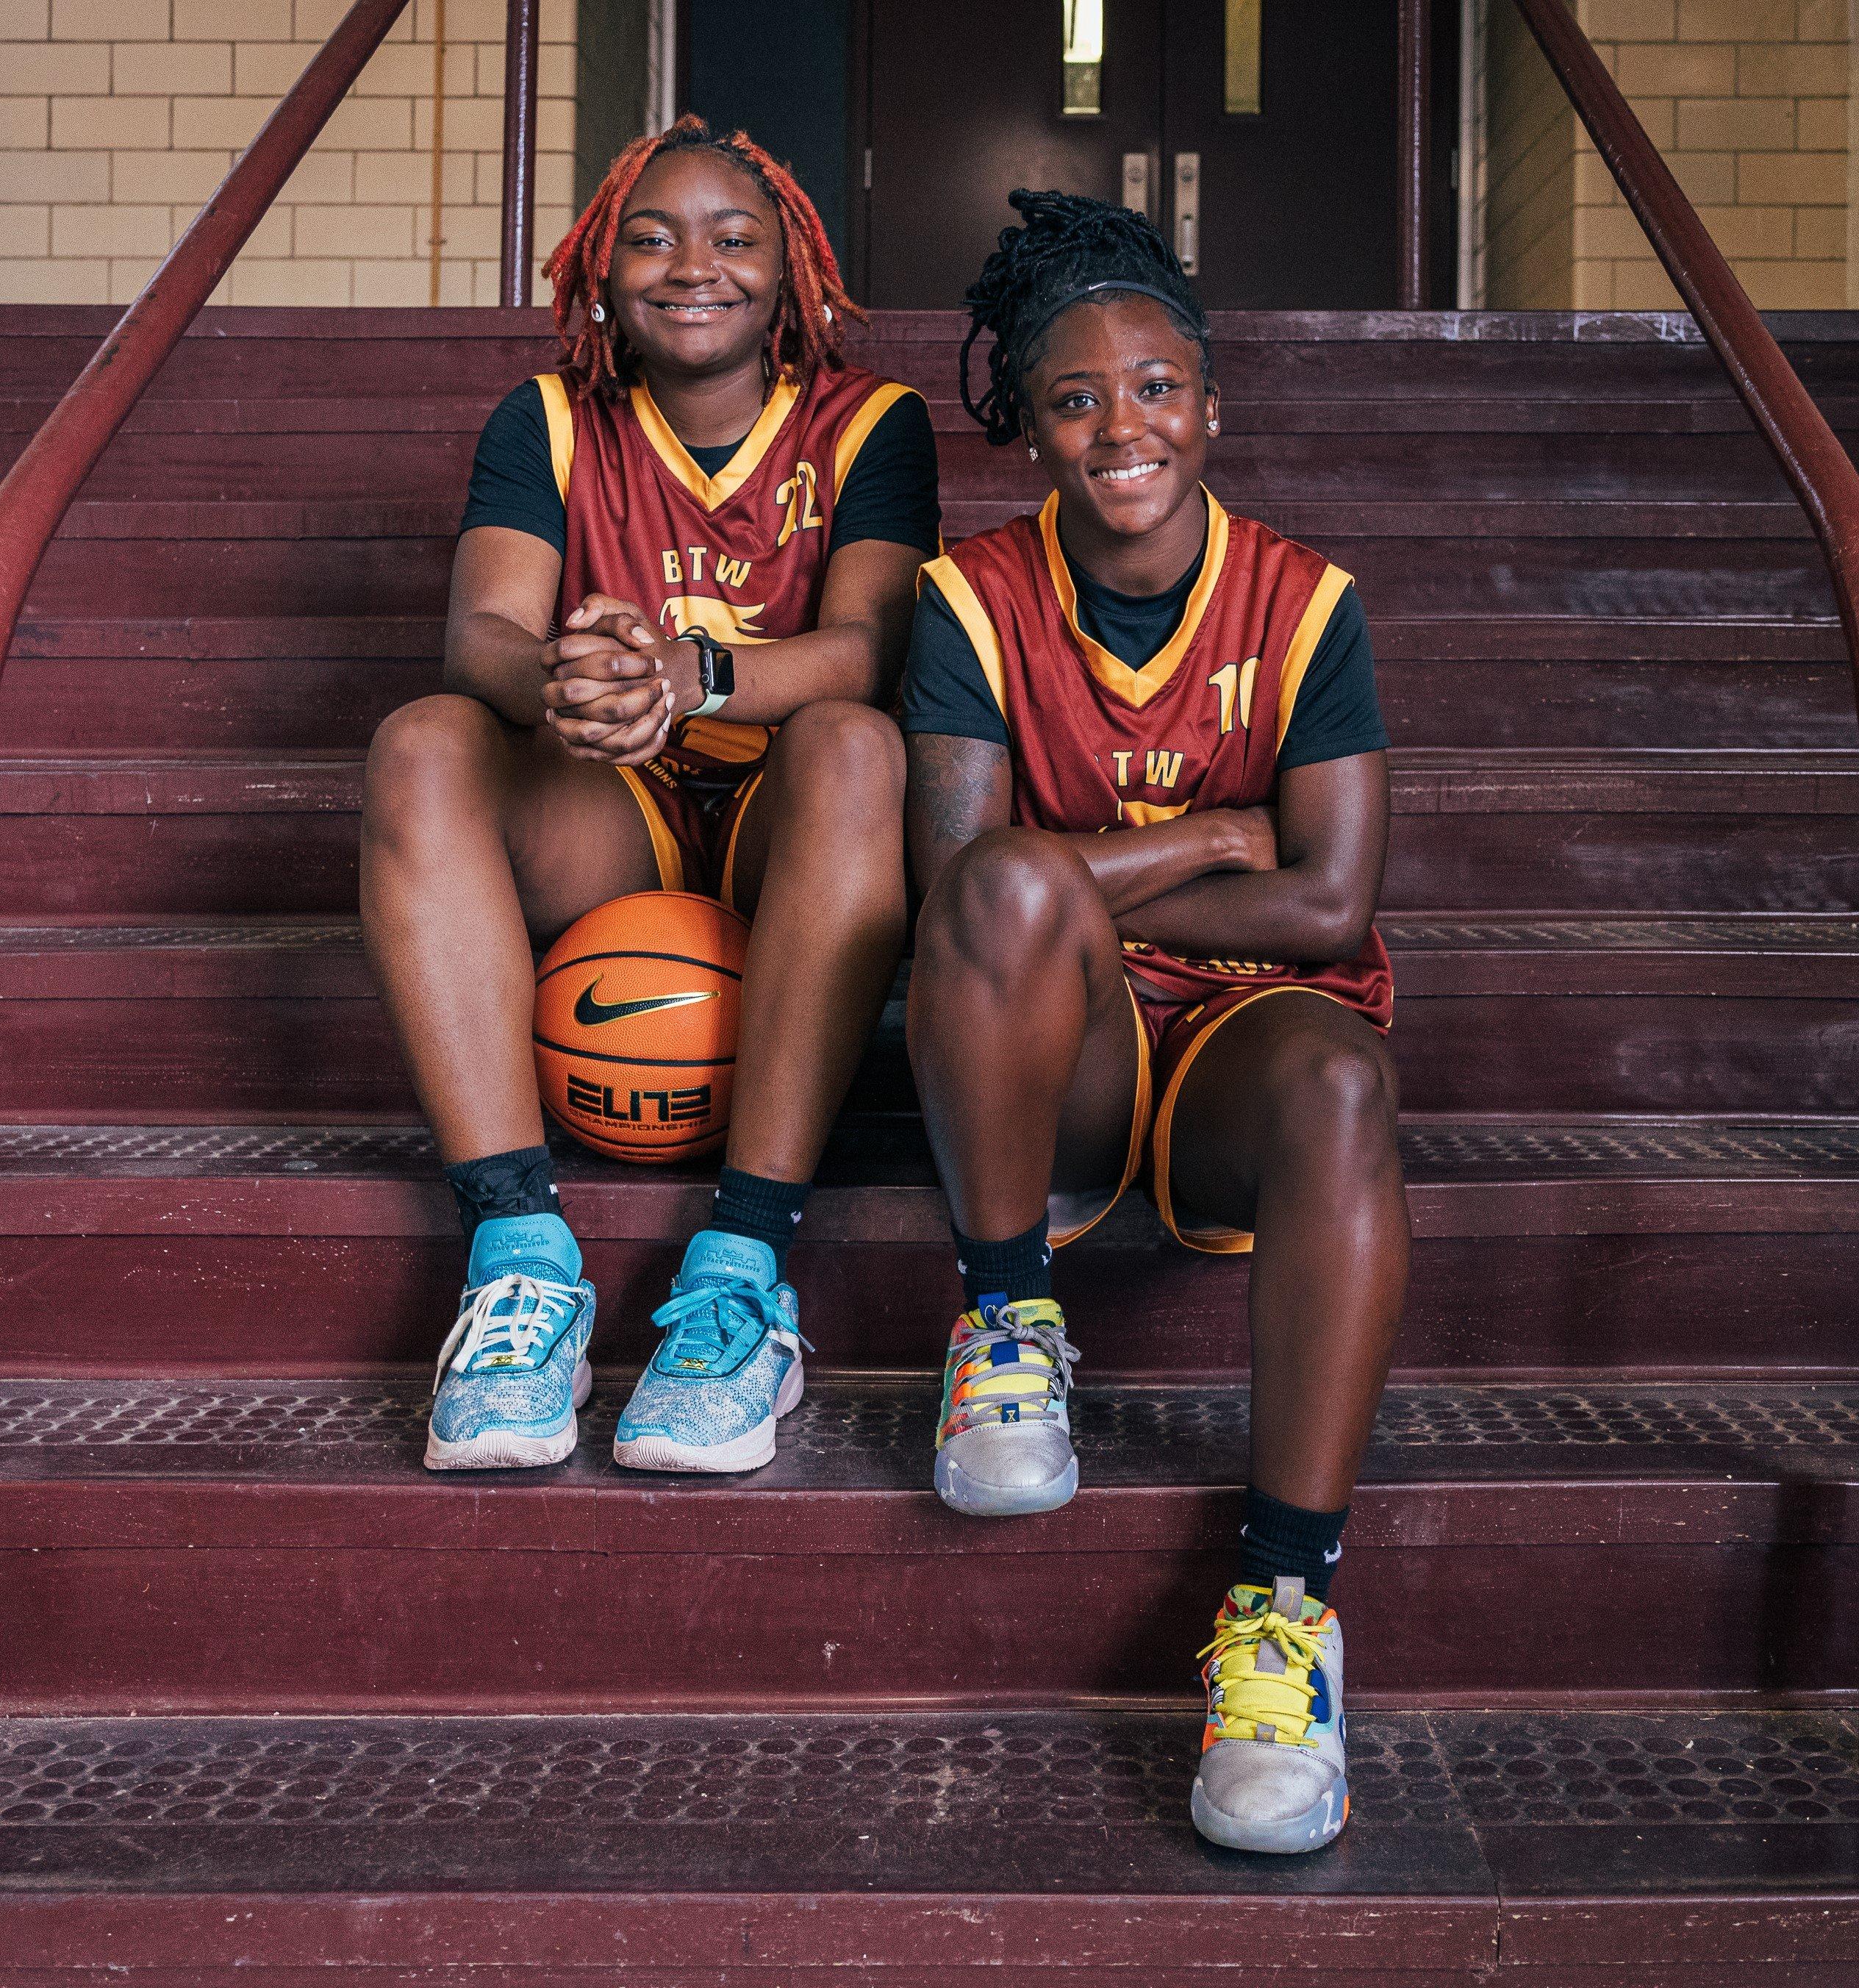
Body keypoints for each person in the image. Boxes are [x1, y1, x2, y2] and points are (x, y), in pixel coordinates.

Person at [900, 191, 1405, 1855]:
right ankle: (1007, 1320)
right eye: (1076, 398)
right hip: (1072, 1051)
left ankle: (1284, 1611)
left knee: (1340, 1074)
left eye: (1158, 387)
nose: (1124, 425)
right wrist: (1195, 840)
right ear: (1029, 431)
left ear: (1213, 400)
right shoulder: (969, 598)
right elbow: (967, 892)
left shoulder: (1309, 601)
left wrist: (1078, 881)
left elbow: (1328, 905)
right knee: (1005, 898)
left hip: (1247, 1043)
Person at [362, 117, 938, 1479]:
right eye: (653, 236)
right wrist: (567, 674)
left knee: (858, 741)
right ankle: (517, 1259)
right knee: (424, 739)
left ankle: (743, 1274)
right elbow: (481, 633)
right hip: (606, 805)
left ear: (791, 271)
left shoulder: (870, 420)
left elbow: (869, 647)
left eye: (736, 239)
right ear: (600, 271)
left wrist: (696, 674)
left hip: (777, 824)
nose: (696, 267)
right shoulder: (549, 416)